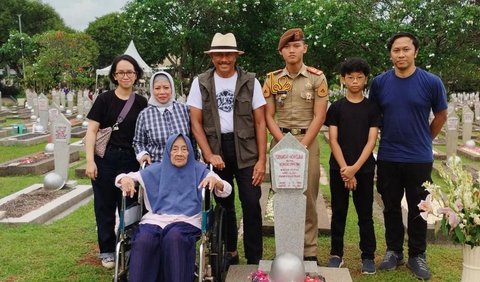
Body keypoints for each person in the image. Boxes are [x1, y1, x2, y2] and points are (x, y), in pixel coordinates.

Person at [369, 32, 448, 280]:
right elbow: (374, 116)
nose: (401, 54)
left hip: (419, 158)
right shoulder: (380, 83)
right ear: (390, 53)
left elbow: (441, 115)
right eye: (396, 50)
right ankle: (394, 251)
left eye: (405, 49)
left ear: (415, 52)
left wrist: (425, 139)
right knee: (390, 205)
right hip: (389, 155)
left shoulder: (431, 82)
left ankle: (417, 255)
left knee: (418, 207)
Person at [187, 32, 267, 265]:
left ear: (236, 56)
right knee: (224, 204)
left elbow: (261, 122)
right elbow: (196, 123)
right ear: (212, 57)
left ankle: (254, 258)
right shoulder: (200, 82)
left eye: (228, 54)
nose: (224, 59)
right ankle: (230, 251)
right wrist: (209, 154)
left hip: (247, 152)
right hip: (217, 151)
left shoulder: (250, 81)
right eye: (219, 55)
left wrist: (262, 160)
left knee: (252, 203)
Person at [116, 133, 232, 282]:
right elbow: (121, 178)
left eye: (184, 149)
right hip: (156, 219)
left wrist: (215, 181)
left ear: (189, 151)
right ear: (168, 151)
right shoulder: (156, 169)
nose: (179, 153)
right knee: (144, 239)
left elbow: (227, 189)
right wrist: (125, 179)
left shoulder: (200, 170)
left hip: (188, 219)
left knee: (174, 237)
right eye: (175, 149)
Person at [263, 28, 328, 263]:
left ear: (304, 48)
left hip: (307, 143)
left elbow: (319, 116)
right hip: (281, 142)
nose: (292, 50)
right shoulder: (272, 79)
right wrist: (285, 144)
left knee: (308, 195)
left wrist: (301, 146)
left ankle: (309, 250)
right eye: (287, 47)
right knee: (282, 194)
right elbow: (269, 116)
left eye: (296, 46)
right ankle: (284, 247)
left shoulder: (316, 78)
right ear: (281, 52)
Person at [84, 54, 148, 269]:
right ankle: (108, 250)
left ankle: (129, 247)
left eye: (129, 72)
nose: (125, 76)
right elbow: (92, 131)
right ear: (114, 75)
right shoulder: (104, 99)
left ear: (136, 74)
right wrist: (90, 161)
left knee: (130, 205)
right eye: (121, 72)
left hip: (131, 159)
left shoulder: (141, 102)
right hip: (106, 159)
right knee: (105, 205)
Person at [324, 58, 380, 274]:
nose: (355, 81)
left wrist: (354, 169)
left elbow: (371, 141)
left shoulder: (372, 108)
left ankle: (368, 256)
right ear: (343, 80)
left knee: (365, 214)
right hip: (338, 167)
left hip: (363, 169)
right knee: (339, 212)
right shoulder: (336, 108)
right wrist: (345, 169)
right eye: (350, 77)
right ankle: (336, 254)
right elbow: (333, 140)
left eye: (359, 77)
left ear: (366, 80)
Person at [133, 71, 194, 164]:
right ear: (152, 90)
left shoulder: (184, 110)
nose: (162, 92)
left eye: (166, 88)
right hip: (156, 167)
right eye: (157, 88)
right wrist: (143, 155)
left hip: (184, 166)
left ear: (172, 88)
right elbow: (138, 142)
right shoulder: (145, 115)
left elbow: (193, 138)